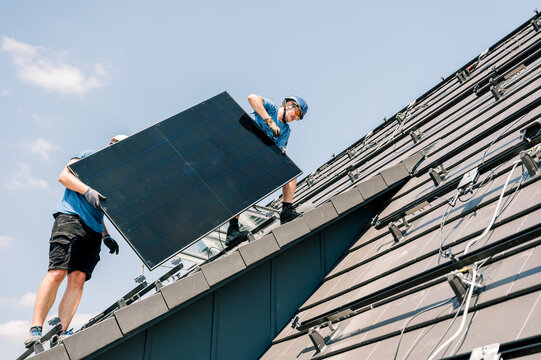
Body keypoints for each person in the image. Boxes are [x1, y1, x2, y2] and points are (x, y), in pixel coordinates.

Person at [24, 135, 126, 347]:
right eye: (115, 145)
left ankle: (61, 331)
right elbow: (63, 176)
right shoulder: (89, 156)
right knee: (58, 271)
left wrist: (106, 235)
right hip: (70, 219)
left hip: (94, 230)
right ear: (110, 144)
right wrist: (86, 190)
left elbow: (97, 207)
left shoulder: (113, 177)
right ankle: (36, 327)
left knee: (78, 278)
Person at [226, 94, 308, 245]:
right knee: (242, 188)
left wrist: (280, 150)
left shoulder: (286, 131)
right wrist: (270, 122)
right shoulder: (271, 108)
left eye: (298, 118)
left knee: (290, 171)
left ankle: (287, 210)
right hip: (245, 148)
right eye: (296, 114)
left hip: (260, 160)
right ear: (289, 104)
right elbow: (251, 98)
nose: (295, 118)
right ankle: (232, 229)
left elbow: (281, 148)